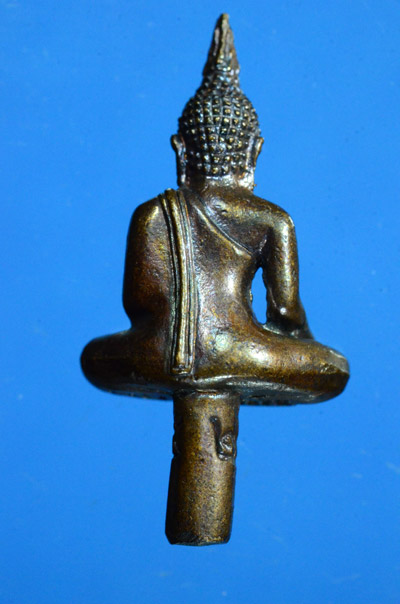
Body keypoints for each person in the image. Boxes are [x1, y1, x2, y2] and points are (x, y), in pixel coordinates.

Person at [81, 14, 349, 406]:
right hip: (242, 352)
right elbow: (285, 312)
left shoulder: (151, 215)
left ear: (180, 151)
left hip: (158, 354)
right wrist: (300, 338)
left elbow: (138, 305)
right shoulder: (271, 220)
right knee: (331, 366)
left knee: (95, 356)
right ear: (253, 152)